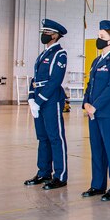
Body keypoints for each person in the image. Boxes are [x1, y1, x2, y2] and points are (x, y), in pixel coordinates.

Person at [81, 20, 110, 201]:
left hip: (109, 113)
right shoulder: (95, 61)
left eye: (102, 37)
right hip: (94, 113)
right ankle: (98, 185)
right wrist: (85, 102)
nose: (98, 39)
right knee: (97, 149)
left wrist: (95, 105)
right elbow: (90, 85)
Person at [25, 19, 69, 190]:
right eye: (43, 32)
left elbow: (55, 80)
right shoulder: (42, 54)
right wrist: (30, 97)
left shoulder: (59, 54)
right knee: (43, 138)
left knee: (55, 138)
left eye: (47, 32)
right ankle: (44, 172)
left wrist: (39, 100)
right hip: (38, 100)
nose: (44, 35)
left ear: (55, 35)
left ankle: (60, 175)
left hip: (50, 100)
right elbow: (35, 78)